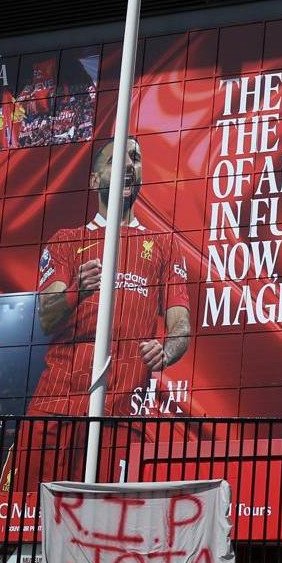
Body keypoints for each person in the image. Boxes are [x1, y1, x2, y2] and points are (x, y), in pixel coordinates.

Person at [27, 137, 193, 415]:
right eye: (116, 160)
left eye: (135, 159)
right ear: (94, 180)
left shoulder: (164, 244)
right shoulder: (66, 240)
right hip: (56, 405)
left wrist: (167, 350)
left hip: (121, 413)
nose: (128, 165)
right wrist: (75, 291)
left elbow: (181, 325)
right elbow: (46, 318)